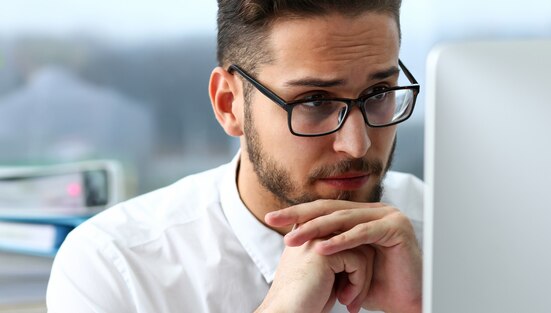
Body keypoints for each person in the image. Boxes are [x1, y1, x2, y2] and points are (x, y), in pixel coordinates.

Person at [46, 1, 424, 312]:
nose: (356, 144)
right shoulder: (115, 266)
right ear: (229, 104)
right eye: (314, 101)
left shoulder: (447, 228)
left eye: (378, 94)